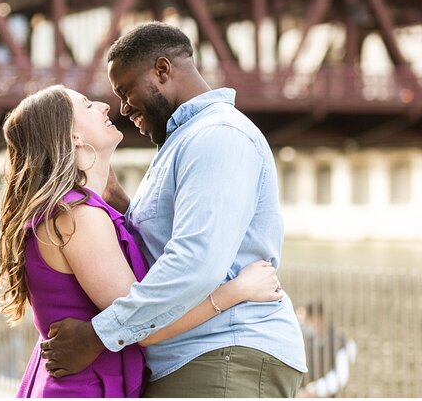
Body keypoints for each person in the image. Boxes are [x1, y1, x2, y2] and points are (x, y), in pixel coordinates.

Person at [39, 22, 308, 397]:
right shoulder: (184, 141)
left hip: (225, 353)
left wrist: (101, 335)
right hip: (200, 357)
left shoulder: (218, 135)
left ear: (162, 71)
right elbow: (168, 247)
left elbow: (196, 262)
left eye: (125, 90)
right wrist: (121, 202)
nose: (122, 107)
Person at [0, 85, 285, 397]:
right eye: (88, 105)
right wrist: (235, 291)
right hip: (84, 388)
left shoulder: (72, 212)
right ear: (73, 137)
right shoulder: (79, 218)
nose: (105, 106)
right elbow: (146, 325)